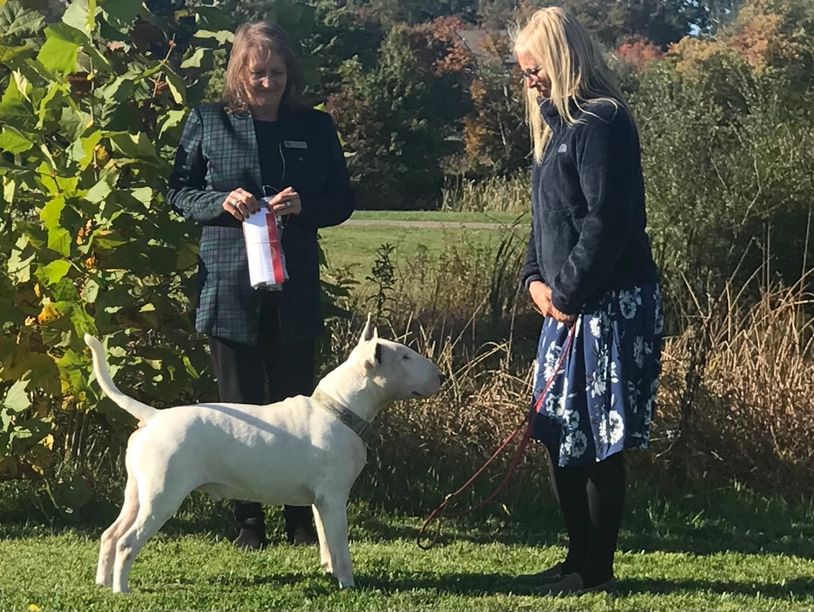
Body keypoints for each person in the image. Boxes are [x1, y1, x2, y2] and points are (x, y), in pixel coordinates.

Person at [167, 21, 354, 549]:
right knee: (237, 411)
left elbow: (342, 199)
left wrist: (306, 207)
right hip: (228, 288)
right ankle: (248, 523)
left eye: (276, 73)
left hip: (293, 291)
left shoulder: (315, 127)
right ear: (239, 74)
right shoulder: (207, 121)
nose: (267, 83)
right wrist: (219, 203)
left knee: (298, 408)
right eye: (257, 74)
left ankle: (299, 521)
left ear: (289, 73)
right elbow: (178, 193)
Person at [514, 7, 663, 595]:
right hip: (568, 306)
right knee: (558, 431)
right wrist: (533, 279)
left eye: (534, 69)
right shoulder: (558, 130)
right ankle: (576, 559)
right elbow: (545, 222)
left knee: (600, 438)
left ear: (560, 59)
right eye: (523, 71)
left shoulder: (602, 122)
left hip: (610, 306)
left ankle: (595, 570)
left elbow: (608, 222)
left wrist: (568, 292)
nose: (527, 80)